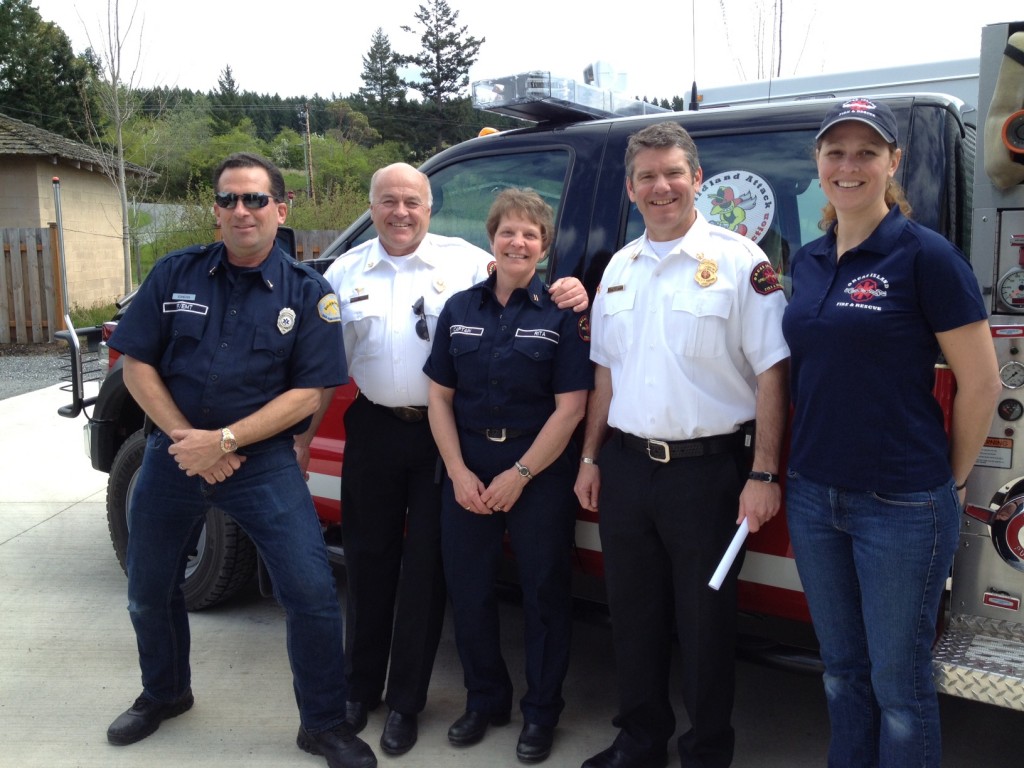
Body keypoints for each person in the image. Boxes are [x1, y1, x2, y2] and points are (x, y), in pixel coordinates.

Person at [105, 152, 376, 768]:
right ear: (216, 210)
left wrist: (223, 441)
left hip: (262, 467)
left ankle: (323, 725)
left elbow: (310, 392)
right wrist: (187, 440)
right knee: (148, 589)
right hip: (171, 459)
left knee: (309, 594)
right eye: (229, 199)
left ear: (281, 210)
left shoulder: (311, 294)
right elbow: (137, 362)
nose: (241, 210)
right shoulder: (175, 273)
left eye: (255, 199)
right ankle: (165, 694)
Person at [322, 163, 587, 757]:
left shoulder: (466, 261)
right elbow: (321, 366)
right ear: (372, 206)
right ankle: (359, 689)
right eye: (387, 201)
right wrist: (298, 436)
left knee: (427, 574)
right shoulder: (344, 270)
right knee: (367, 562)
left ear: (429, 206)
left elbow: (532, 288)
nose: (400, 212)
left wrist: (573, 290)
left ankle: (408, 704)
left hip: (449, 444)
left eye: (411, 200)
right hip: (378, 427)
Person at [782, 98, 1000, 768]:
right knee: (841, 670)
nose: (850, 166)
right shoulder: (810, 259)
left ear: (892, 163)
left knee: (898, 687)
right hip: (815, 495)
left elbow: (982, 383)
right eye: (836, 153)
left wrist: (951, 480)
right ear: (818, 165)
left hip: (900, 505)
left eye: (866, 153)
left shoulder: (925, 256)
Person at [574, 121, 790, 768]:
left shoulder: (740, 262)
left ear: (698, 180)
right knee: (632, 618)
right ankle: (639, 741)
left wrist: (765, 473)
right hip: (627, 468)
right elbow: (605, 374)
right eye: (647, 176)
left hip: (708, 475)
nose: (661, 186)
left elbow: (773, 371)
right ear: (631, 187)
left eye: (673, 173)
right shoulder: (618, 268)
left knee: (704, 628)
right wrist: (589, 456)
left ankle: (705, 752)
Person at [422, 189, 593, 764]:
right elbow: (439, 398)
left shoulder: (561, 315)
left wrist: (520, 474)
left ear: (544, 248)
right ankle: (485, 699)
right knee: (468, 590)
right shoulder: (460, 309)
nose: (517, 242)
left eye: (530, 235)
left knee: (545, 594)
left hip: (538, 469)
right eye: (507, 232)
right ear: (491, 239)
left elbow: (571, 408)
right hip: (467, 467)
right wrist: (457, 472)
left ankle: (541, 712)